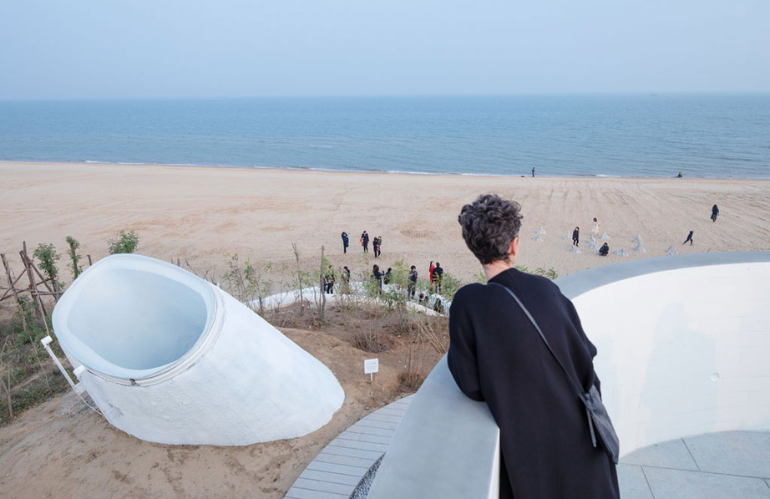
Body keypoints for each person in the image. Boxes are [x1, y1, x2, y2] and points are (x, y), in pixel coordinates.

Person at [448, 194, 619, 499]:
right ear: (513, 245)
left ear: (474, 248)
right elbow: (586, 358)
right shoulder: (546, 289)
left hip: (529, 459)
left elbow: (470, 385)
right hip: (584, 447)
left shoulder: (468, 303)